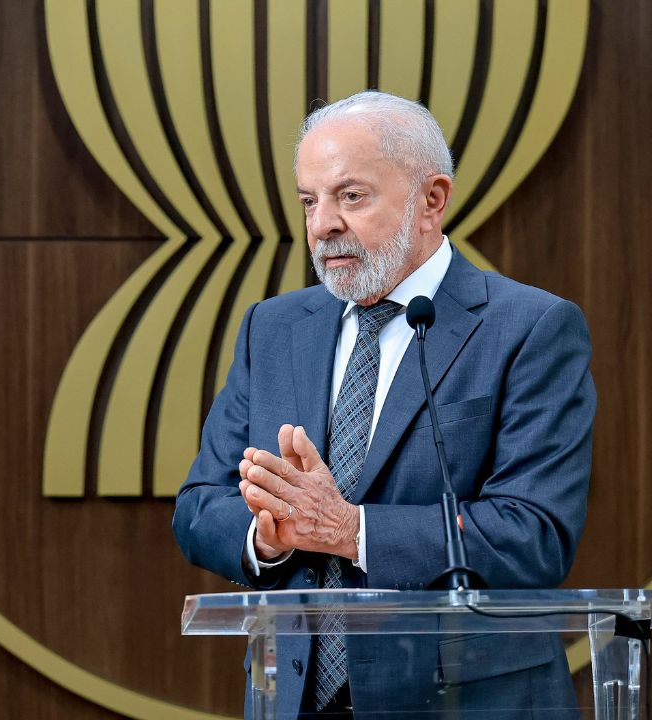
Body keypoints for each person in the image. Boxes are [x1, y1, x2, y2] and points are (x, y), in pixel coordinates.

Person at [173, 91, 597, 718]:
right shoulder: (274, 328)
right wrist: (269, 538)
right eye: (309, 201)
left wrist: (353, 531)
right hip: (295, 698)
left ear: (432, 200)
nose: (323, 225)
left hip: (467, 701)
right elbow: (199, 507)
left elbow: (535, 535)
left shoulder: (531, 328)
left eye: (351, 196)